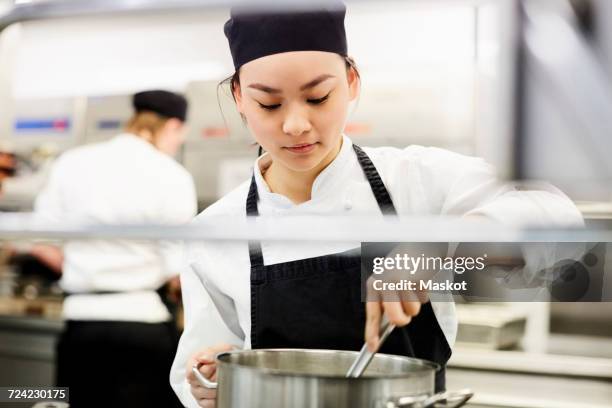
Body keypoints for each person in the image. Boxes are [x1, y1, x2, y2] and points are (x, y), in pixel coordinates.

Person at [170, 4, 583, 407]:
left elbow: (560, 219)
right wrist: (208, 384)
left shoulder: (416, 179)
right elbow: (198, 370)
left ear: (351, 82)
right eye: (269, 104)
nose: (295, 124)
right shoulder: (216, 229)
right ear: (240, 97)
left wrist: (441, 241)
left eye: (317, 97)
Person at [34, 90, 197, 408]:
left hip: (81, 326)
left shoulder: (73, 162)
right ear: (173, 126)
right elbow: (178, 267)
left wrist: (82, 267)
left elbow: (41, 242)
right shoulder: (172, 175)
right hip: (142, 326)